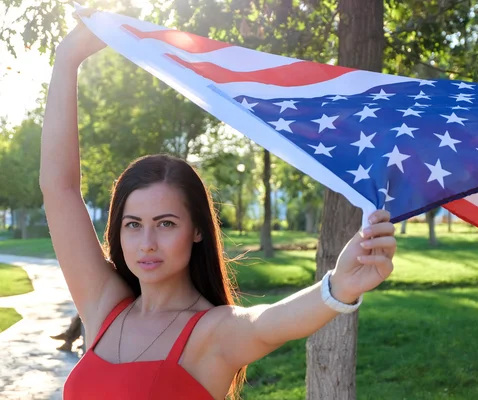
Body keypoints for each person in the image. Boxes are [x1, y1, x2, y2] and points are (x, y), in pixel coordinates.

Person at [39, 11, 397, 400]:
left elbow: (267, 323)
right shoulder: (103, 307)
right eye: (133, 224)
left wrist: (337, 288)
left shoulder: (213, 332)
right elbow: (58, 189)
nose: (147, 243)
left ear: (196, 230)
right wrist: (68, 57)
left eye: (166, 224)